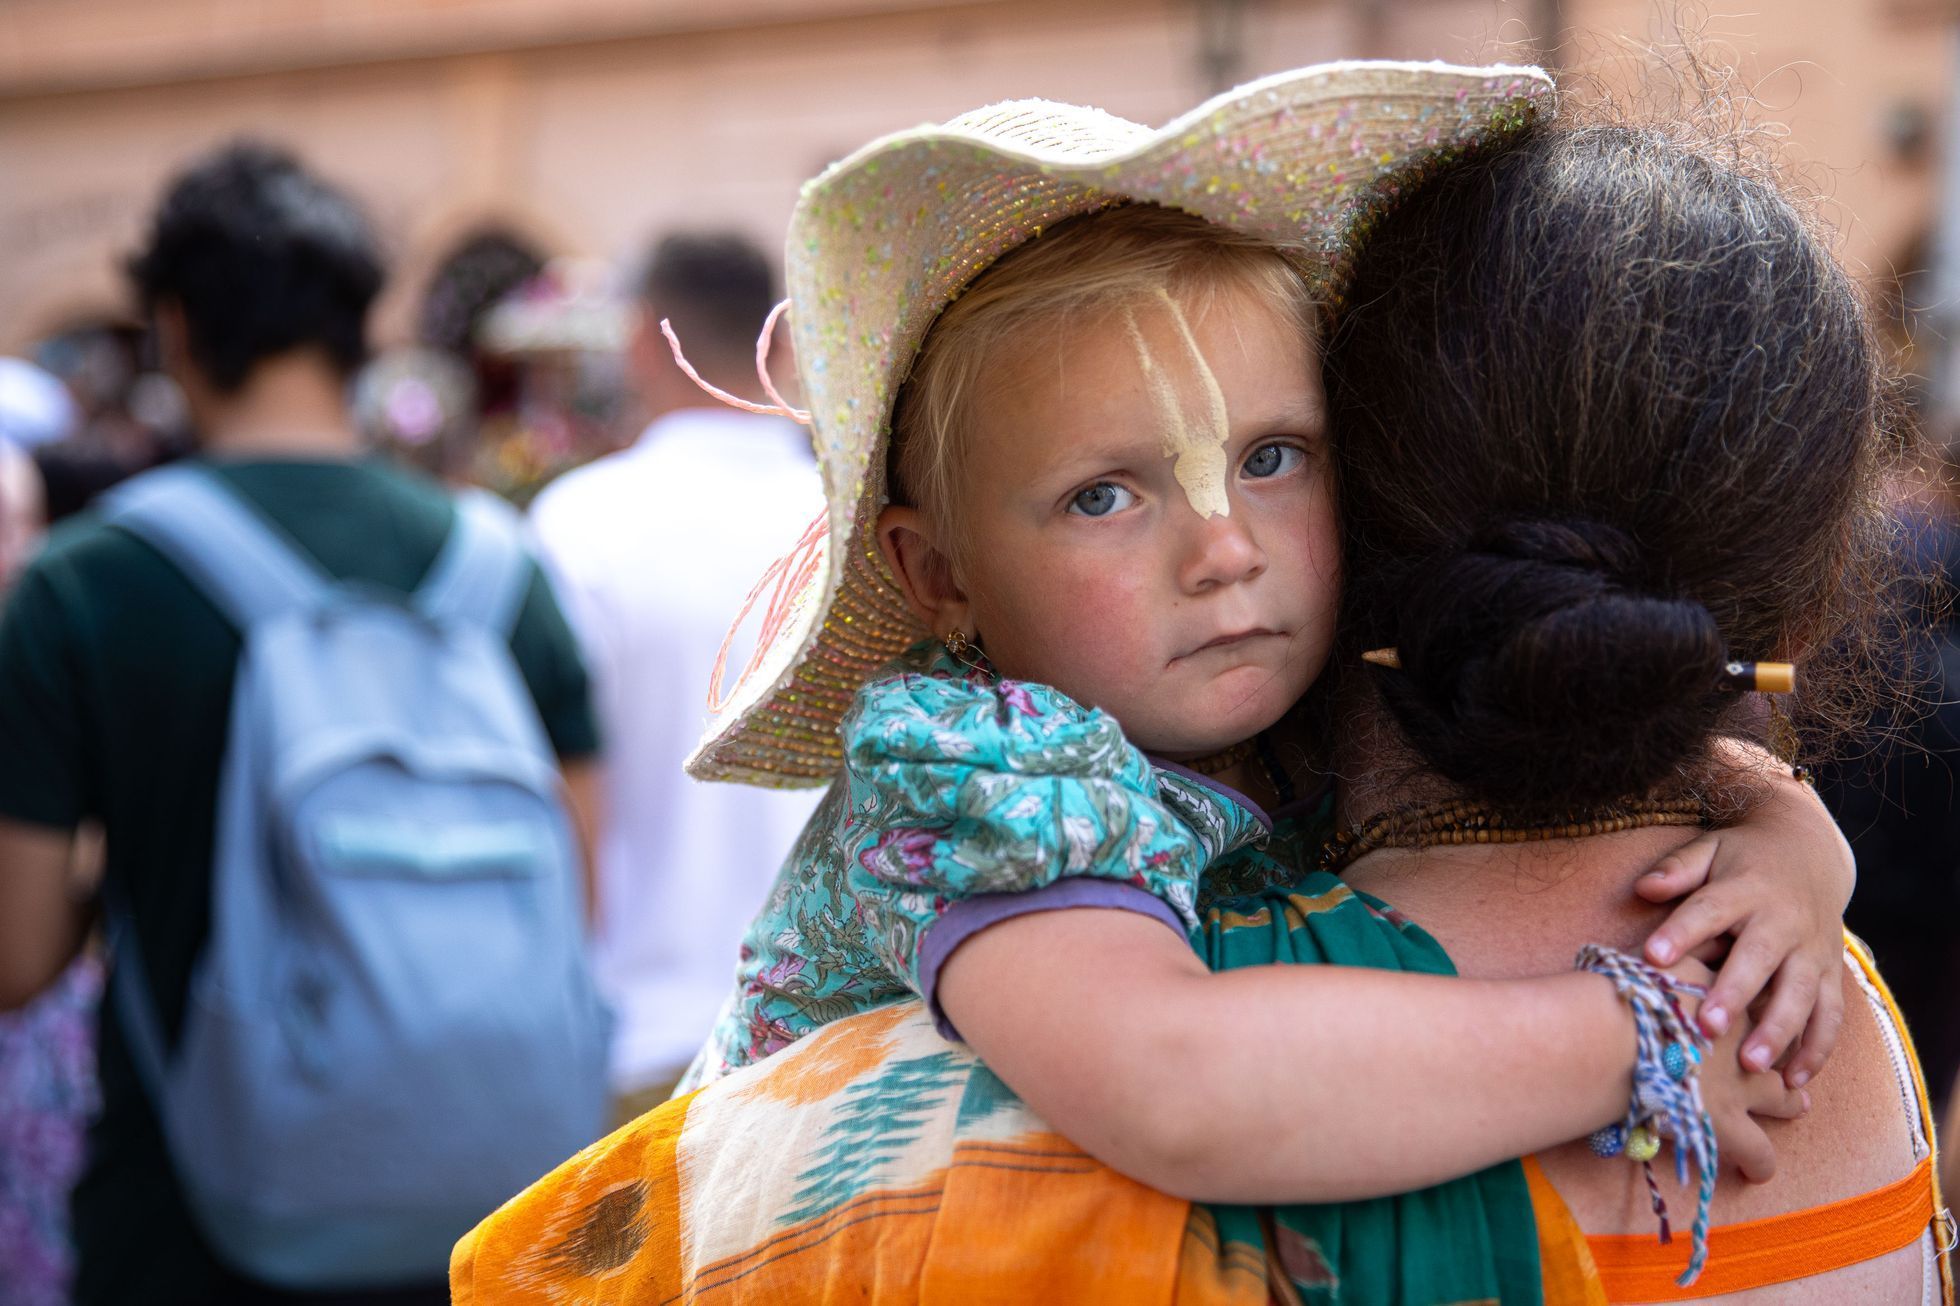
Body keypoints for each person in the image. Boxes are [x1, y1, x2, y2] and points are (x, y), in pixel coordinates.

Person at [453, 90, 1950, 1305]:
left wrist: (1788, 844)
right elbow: (1177, 1080)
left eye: (1274, 457)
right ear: (938, 575)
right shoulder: (986, 766)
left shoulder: (1244, 712)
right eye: (1106, 492)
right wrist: (1625, 1035)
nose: (1223, 547)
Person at [0, 142, 603, 1306]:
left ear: (174, 327)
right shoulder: (502, 572)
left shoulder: (85, 584)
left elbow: (17, 956)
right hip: (484, 1218)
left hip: (188, 1226)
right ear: (357, 326)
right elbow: (576, 892)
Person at [529, 233, 824, 1116]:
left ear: (637, 344)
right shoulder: (853, 523)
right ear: (778, 346)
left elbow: (551, 796)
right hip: (843, 1037)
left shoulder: (574, 526)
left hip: (640, 1040)